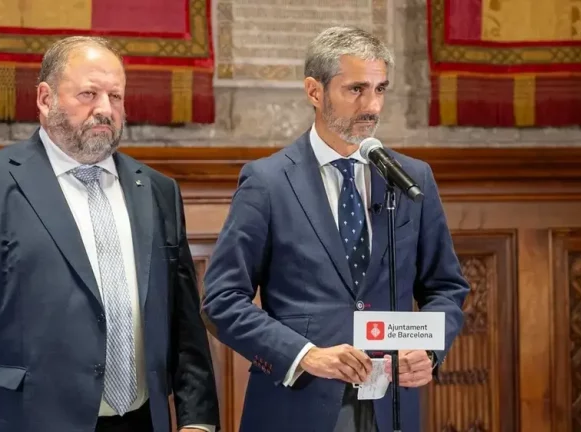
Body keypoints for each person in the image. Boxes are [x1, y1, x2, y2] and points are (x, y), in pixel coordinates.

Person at [0, 36, 220, 432]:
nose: (105, 110)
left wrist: (198, 421)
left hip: (142, 420)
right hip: (30, 420)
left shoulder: (158, 190)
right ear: (45, 99)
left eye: (116, 96)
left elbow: (183, 323)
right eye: (88, 94)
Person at [201, 26, 469, 432]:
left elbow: (446, 287)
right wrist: (304, 354)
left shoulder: (411, 178)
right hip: (297, 403)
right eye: (356, 89)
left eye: (380, 89)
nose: (372, 105)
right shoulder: (268, 181)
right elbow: (221, 299)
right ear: (314, 91)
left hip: (391, 407)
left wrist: (429, 349)